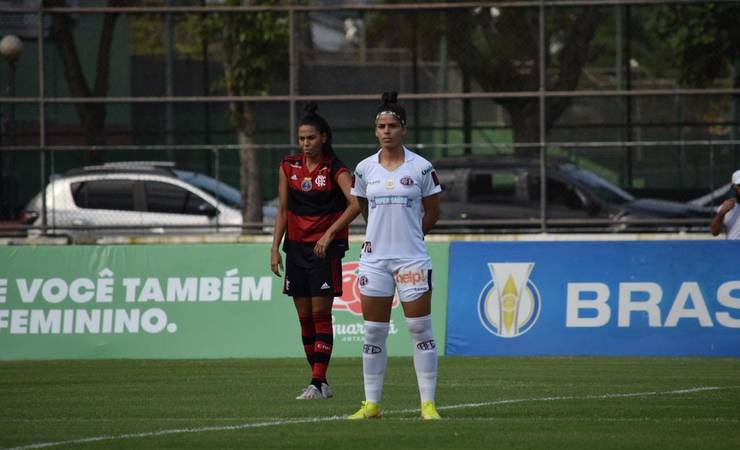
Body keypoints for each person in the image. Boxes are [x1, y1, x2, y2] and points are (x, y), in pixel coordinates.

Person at [348, 92, 443, 420]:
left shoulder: (422, 167)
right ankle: (371, 404)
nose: (386, 131)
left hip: (412, 260)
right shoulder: (364, 169)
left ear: (403, 129)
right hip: (375, 260)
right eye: (381, 126)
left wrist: (411, 237)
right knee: (373, 331)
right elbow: (362, 206)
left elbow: (432, 212)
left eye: (392, 125)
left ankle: (428, 404)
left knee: (420, 329)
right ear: (375, 131)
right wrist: (381, 236)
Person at [271, 103, 360, 400]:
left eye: (311, 137)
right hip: (295, 249)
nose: (306, 143)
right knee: (304, 318)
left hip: (324, 251)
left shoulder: (336, 169)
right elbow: (283, 209)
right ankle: (320, 383)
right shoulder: (288, 166)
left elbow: (356, 203)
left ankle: (317, 380)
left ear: (324, 137)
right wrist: (275, 249)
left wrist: (330, 233)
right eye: (301, 138)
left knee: (321, 314)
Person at [710, 169, 740, 240]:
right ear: (734, 187)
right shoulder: (726, 208)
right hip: (732, 250)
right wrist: (721, 213)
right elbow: (714, 232)